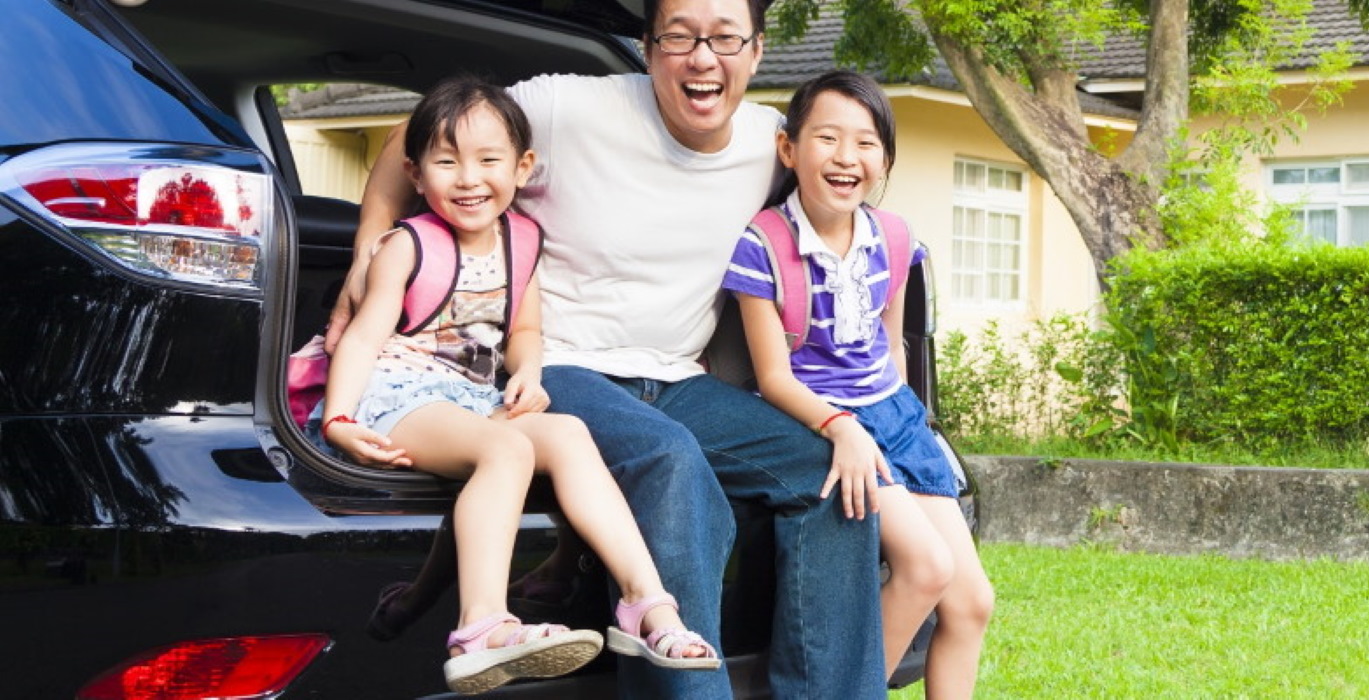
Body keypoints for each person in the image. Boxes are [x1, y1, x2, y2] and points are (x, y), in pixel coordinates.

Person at [324, 0, 886, 697]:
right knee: (670, 460)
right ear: (648, 47)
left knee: (827, 476)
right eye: (678, 37)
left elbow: (844, 215)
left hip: (678, 379)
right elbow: (414, 140)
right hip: (559, 365)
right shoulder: (565, 106)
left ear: (756, 50)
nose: (701, 58)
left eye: (723, 39)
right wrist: (366, 247)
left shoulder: (775, 142)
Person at [312, 74, 718, 696]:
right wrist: (339, 419)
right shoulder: (407, 244)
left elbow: (523, 328)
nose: (469, 178)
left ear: (523, 167)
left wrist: (527, 371)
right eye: (446, 162)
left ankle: (647, 605)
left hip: (470, 394)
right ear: (417, 176)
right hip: (397, 393)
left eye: (488, 160)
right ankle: (479, 629)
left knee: (569, 433)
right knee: (510, 449)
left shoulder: (521, 241)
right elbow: (363, 338)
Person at [720, 71, 995, 698]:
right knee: (924, 569)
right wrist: (841, 428)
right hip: (820, 418)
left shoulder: (895, 240)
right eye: (827, 138)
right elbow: (773, 377)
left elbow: (891, 349)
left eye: (866, 142)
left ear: (885, 159)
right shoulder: (763, 245)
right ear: (789, 149)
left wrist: (908, 426)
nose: (847, 157)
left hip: (894, 417)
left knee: (972, 600)